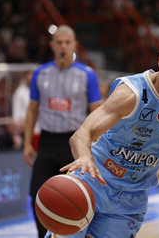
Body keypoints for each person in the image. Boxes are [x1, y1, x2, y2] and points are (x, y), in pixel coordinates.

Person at [44, 28, 159, 238]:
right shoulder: (131, 94)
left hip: (130, 202)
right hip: (92, 182)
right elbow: (82, 133)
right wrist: (85, 157)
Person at [23, 25, 102, 238]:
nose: (63, 46)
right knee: (36, 194)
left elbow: (97, 113)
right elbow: (32, 109)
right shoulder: (40, 73)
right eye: (59, 42)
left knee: (81, 196)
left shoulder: (87, 75)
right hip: (48, 142)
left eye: (68, 42)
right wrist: (27, 142)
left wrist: (94, 145)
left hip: (75, 143)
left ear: (75, 45)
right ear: (52, 46)